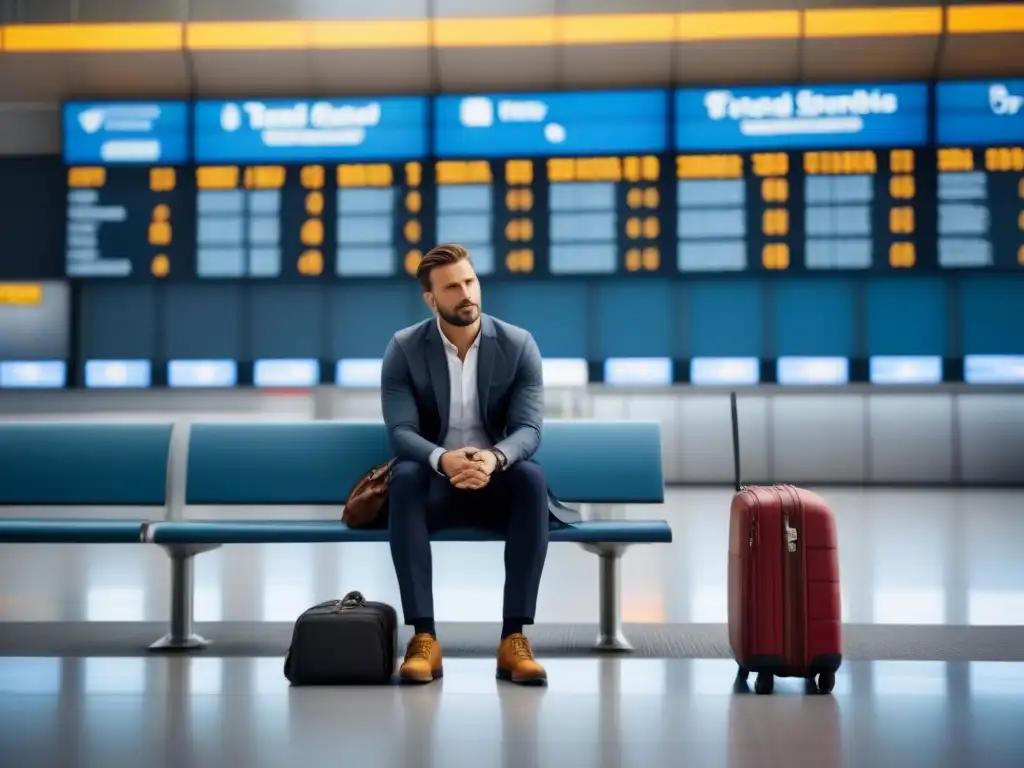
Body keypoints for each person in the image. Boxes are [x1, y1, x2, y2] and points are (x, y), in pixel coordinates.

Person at [380, 242, 574, 687]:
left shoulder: (517, 344)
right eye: (452, 287)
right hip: (433, 485)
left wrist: (493, 457)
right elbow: (401, 433)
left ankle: (514, 639)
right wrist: (443, 459)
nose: (465, 293)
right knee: (405, 476)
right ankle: (423, 638)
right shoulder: (405, 349)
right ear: (431, 299)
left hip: (497, 483)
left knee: (530, 478)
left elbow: (529, 429)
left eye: (470, 281)